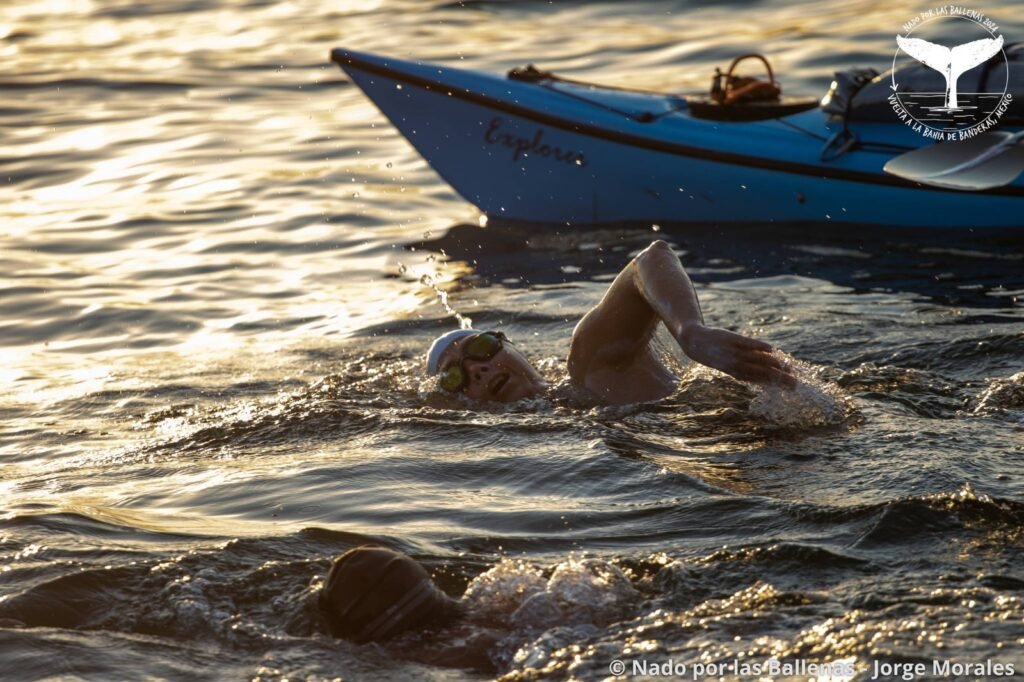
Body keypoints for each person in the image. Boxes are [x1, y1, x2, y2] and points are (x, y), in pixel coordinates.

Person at [425, 240, 795, 405]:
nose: (476, 369)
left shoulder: (591, 365)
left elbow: (650, 259)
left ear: (512, 347)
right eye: (454, 377)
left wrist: (689, 331)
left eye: (480, 348)